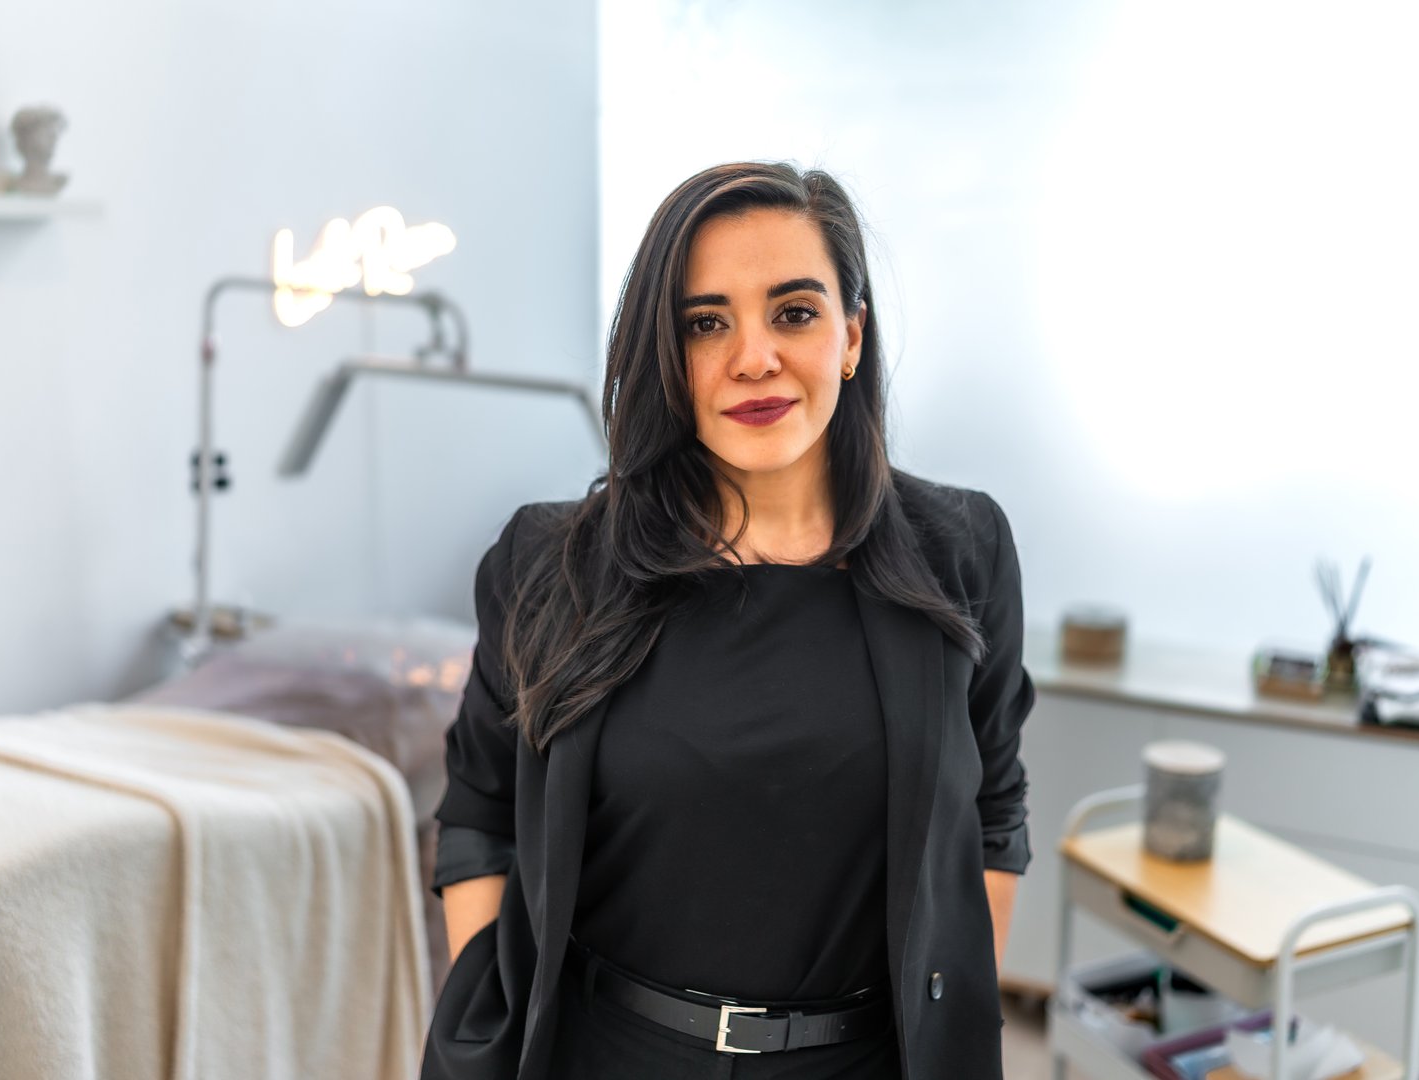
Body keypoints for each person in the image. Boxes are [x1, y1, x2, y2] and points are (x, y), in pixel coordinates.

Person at [419, 161, 1035, 1080]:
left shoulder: (962, 550)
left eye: (794, 312)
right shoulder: (550, 565)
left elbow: (992, 816)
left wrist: (948, 1025)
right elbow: (479, 816)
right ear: (665, 354)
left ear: (852, 335)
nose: (754, 358)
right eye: (706, 324)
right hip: (610, 1055)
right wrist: (489, 1016)